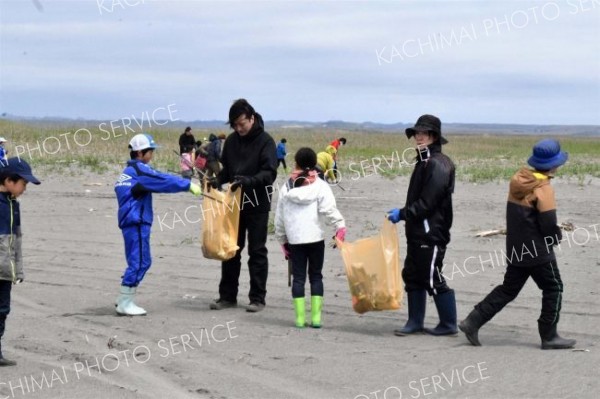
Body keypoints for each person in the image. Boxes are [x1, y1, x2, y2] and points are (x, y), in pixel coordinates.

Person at [459, 139, 576, 350]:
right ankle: (549, 335)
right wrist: (556, 238)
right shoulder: (544, 189)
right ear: (553, 165)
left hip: (515, 248)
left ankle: (473, 321)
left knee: (508, 289)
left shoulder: (520, 179)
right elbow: (548, 224)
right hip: (538, 251)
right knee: (554, 287)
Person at [115, 133, 202, 316]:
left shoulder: (128, 172)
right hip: (136, 221)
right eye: (150, 151)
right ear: (140, 153)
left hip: (132, 222)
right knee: (139, 262)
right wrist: (187, 185)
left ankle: (124, 297)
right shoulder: (139, 171)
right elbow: (162, 180)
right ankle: (125, 301)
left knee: (140, 261)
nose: (152, 154)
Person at [387, 114, 457, 336]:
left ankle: (448, 324)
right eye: (417, 133)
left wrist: (403, 213)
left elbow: (427, 203)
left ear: (434, 136)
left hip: (431, 233)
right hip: (419, 232)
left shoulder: (438, 164)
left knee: (431, 277)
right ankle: (415, 322)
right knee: (412, 275)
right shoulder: (424, 161)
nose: (419, 137)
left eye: (424, 133)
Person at [209, 99, 277, 312]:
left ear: (252, 118)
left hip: (258, 202)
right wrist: (216, 181)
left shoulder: (266, 141)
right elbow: (227, 170)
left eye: (242, 124)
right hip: (234, 203)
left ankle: (257, 298)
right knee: (231, 250)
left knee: (257, 251)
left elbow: (270, 173)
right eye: (235, 125)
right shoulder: (231, 141)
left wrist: (248, 181)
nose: (239, 129)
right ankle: (227, 297)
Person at [275, 147, 346, 328]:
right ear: (314, 162)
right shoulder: (321, 185)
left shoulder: (286, 187)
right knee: (316, 276)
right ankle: (316, 319)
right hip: (315, 238)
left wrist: (282, 241)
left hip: (295, 240)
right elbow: (328, 209)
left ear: (296, 163)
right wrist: (339, 226)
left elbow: (280, 217)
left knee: (298, 278)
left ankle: (299, 319)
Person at [0, 158, 40, 367]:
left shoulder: (13, 205)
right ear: (8, 181)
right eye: (23, 184)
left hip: (6, 270)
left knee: (3, 310)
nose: (24, 189)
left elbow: (17, 240)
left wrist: (19, 269)